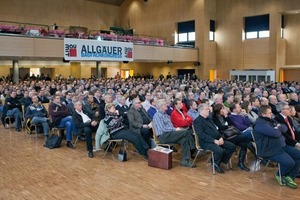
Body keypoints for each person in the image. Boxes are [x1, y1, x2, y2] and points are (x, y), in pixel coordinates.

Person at [253, 105, 300, 188]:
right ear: (263, 114)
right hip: (270, 150)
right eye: (270, 113)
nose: (272, 114)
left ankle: (290, 176)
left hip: (281, 146)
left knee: (298, 155)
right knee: (289, 162)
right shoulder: (260, 124)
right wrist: (278, 129)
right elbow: (276, 133)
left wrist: (277, 128)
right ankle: (280, 175)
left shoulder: (271, 120)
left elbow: (284, 128)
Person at [153, 99, 196, 168]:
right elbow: (162, 129)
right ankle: (193, 148)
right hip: (163, 136)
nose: (167, 105)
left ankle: (185, 161)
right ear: (161, 106)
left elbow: (170, 126)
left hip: (170, 134)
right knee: (187, 132)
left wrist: (175, 129)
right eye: (165, 104)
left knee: (184, 139)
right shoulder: (157, 116)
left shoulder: (166, 115)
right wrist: (175, 129)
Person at [193, 103, 236, 173]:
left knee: (232, 146)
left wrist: (220, 137)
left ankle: (218, 161)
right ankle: (216, 164)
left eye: (208, 109)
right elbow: (201, 135)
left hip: (217, 139)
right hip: (206, 142)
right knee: (220, 150)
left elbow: (216, 130)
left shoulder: (209, 119)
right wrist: (214, 140)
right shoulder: (197, 121)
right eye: (206, 109)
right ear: (201, 111)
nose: (208, 111)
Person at [212, 104, 256, 171]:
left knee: (244, 144)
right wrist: (228, 126)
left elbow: (230, 124)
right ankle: (254, 156)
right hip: (223, 137)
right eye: (222, 109)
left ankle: (241, 163)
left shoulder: (224, 116)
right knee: (245, 138)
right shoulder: (214, 118)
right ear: (219, 110)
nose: (224, 110)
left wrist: (226, 116)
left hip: (230, 135)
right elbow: (221, 127)